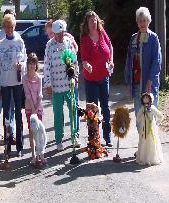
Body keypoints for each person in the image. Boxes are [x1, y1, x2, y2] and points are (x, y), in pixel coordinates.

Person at [0, 14, 27, 157]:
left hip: (18, 83)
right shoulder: (0, 45)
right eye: (7, 27)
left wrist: (22, 66)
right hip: (5, 84)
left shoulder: (20, 42)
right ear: (4, 27)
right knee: (6, 114)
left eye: (11, 27)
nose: (9, 29)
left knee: (18, 115)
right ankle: (7, 145)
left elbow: (25, 61)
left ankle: (19, 145)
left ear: (14, 27)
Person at [80, 10, 114, 147]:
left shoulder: (102, 32)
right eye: (90, 21)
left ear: (98, 21)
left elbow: (110, 47)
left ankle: (107, 137)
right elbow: (84, 59)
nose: (93, 23)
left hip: (104, 77)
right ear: (87, 24)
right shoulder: (84, 39)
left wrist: (111, 61)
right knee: (92, 110)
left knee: (105, 108)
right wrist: (87, 65)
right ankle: (94, 140)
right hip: (91, 80)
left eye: (95, 20)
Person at [44, 19, 79, 151]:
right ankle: (59, 140)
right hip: (56, 86)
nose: (60, 35)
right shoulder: (49, 45)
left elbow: (74, 61)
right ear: (54, 33)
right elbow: (46, 65)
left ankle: (74, 137)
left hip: (69, 83)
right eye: (57, 33)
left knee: (73, 110)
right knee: (58, 114)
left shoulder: (68, 42)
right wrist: (47, 84)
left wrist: (76, 77)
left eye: (62, 33)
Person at [124, 7, 162, 117]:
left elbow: (157, 61)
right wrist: (127, 81)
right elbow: (128, 61)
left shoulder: (153, 38)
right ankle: (141, 135)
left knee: (150, 119)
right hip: (136, 84)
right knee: (139, 118)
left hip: (149, 84)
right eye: (140, 21)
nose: (142, 23)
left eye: (144, 20)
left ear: (149, 21)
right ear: (137, 23)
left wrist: (150, 80)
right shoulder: (133, 39)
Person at [0, 9, 18, 147]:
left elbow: (22, 58)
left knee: (11, 109)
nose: (10, 24)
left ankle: (10, 133)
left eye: (12, 19)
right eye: (8, 19)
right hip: (1, 80)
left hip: (13, 81)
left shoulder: (18, 37)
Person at [22, 52, 43, 164]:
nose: (32, 66)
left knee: (39, 131)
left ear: (36, 65)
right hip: (29, 108)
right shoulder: (24, 78)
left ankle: (40, 154)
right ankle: (33, 154)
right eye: (30, 63)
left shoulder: (39, 78)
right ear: (27, 64)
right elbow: (27, 95)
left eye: (34, 63)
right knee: (31, 130)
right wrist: (32, 109)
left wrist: (37, 108)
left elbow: (40, 94)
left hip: (38, 107)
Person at [136, 93, 163, 165]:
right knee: (144, 141)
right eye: (144, 98)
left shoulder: (152, 108)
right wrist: (141, 120)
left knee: (151, 141)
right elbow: (138, 117)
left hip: (151, 128)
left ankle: (152, 158)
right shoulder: (142, 108)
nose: (145, 99)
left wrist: (156, 123)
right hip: (143, 128)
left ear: (150, 99)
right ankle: (143, 157)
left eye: (147, 98)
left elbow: (160, 115)